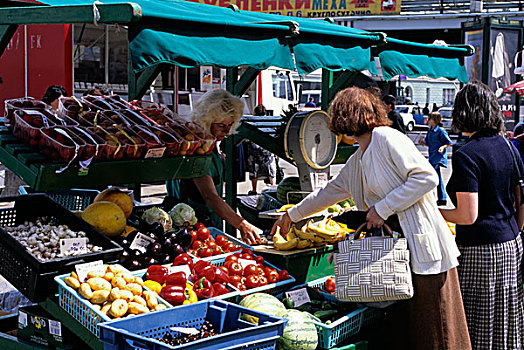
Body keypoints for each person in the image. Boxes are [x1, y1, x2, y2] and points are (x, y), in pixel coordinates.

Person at [272, 87, 470, 350]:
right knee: (410, 329)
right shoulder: (358, 158)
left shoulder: (386, 137)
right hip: (397, 252)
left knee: (436, 327)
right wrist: (291, 215)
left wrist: (383, 208)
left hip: (421, 247)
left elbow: (427, 178)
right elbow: (328, 192)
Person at [440, 81, 524, 349]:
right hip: (511, 246)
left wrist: (434, 211)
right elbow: (521, 199)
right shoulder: (509, 147)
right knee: (507, 320)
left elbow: (467, 215)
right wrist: (515, 230)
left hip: (480, 251)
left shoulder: (467, 155)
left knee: (478, 321)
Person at [166, 89, 263, 245]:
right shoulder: (196, 150)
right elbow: (210, 196)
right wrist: (241, 224)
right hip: (194, 229)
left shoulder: (210, 146)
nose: (226, 131)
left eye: (230, 125)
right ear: (206, 121)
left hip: (209, 225)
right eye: (221, 125)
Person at [418, 112, 452, 206]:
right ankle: (441, 198)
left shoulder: (441, 131)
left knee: (430, 176)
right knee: (437, 177)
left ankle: (433, 197)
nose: (428, 121)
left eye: (430, 119)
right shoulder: (430, 130)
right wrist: (422, 142)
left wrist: (442, 147)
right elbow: (428, 142)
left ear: (435, 120)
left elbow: (448, 142)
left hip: (437, 157)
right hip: (432, 156)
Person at [245, 104, 276, 194]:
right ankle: (272, 187)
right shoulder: (269, 121)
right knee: (270, 169)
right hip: (267, 151)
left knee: (254, 170)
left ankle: (254, 190)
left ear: (255, 113)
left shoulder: (252, 121)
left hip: (254, 151)